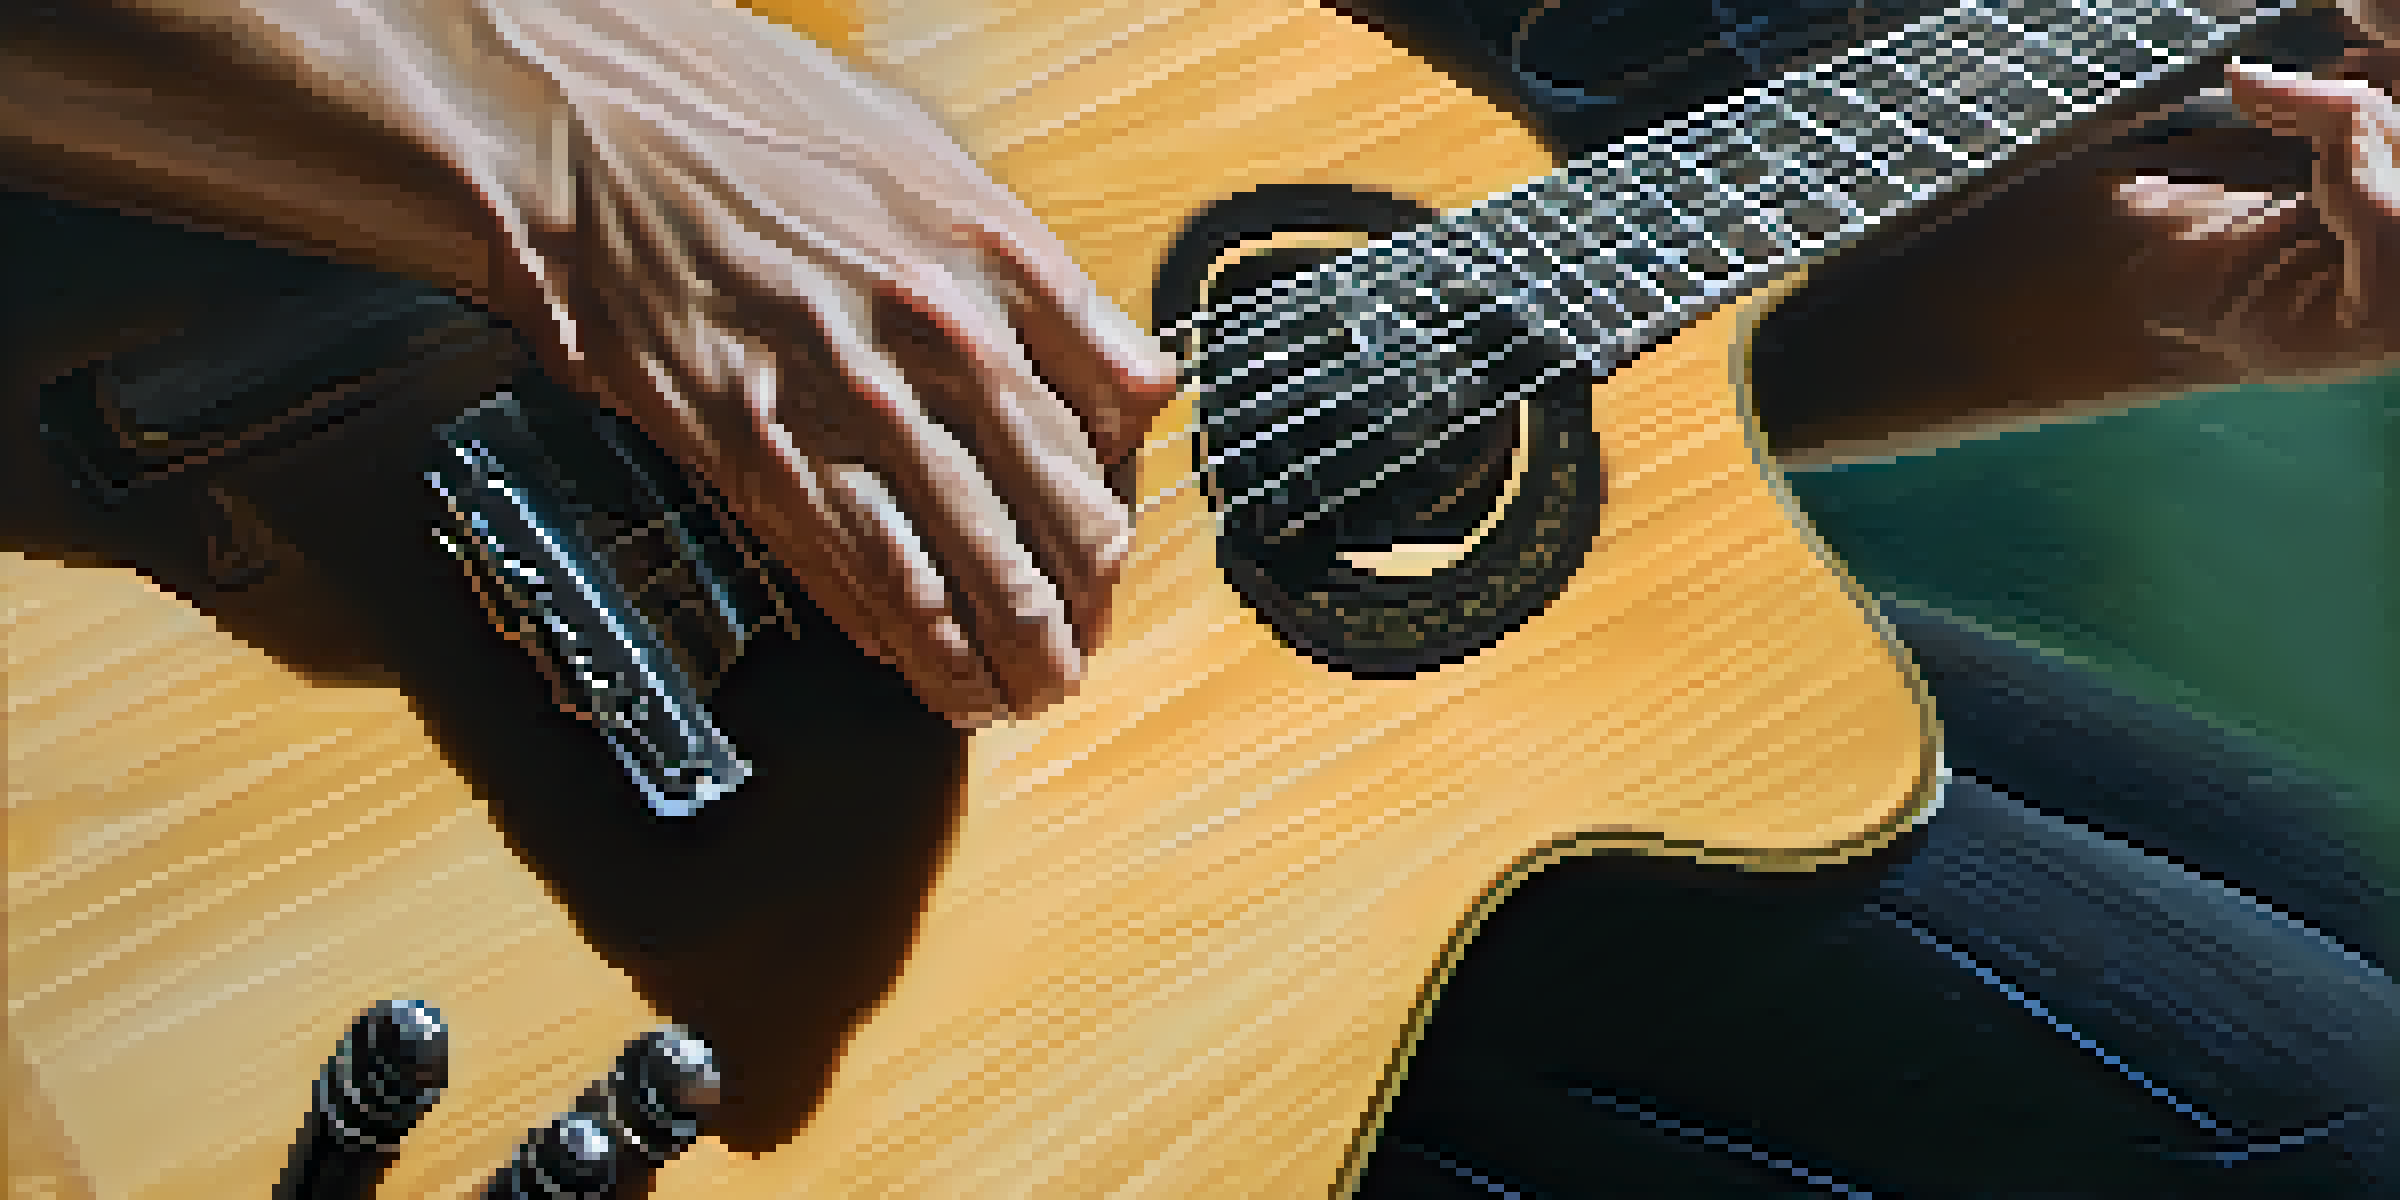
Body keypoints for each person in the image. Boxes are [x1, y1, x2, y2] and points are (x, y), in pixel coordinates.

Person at [4, 0, 2394, 1192]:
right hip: (236, 420)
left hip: (1085, 668)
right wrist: (546, 111)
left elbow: (1408, 307)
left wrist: (2198, 301)